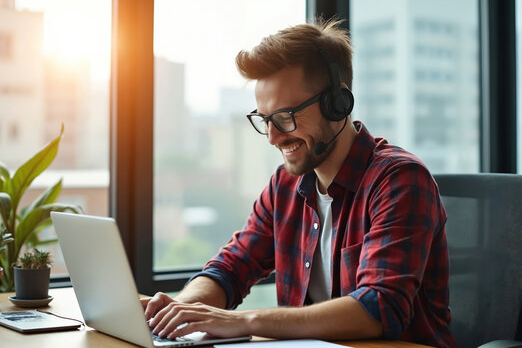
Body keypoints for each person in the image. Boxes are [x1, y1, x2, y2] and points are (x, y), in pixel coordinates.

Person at [142, 19, 456, 348]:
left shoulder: (399, 181)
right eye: (265, 120)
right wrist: (183, 307)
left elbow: (377, 309)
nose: (273, 137)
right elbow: (233, 266)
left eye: (285, 117)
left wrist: (242, 320)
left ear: (338, 103)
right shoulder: (284, 186)